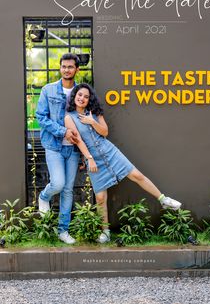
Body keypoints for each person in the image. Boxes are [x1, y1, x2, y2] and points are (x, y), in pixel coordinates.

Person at [65, 83, 182, 244]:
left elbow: (105, 132)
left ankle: (163, 200)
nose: (82, 98)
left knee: (136, 175)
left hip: (109, 151)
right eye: (79, 95)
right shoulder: (69, 117)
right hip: (93, 158)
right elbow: (78, 141)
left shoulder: (95, 112)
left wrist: (92, 121)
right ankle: (105, 232)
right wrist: (89, 158)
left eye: (86, 96)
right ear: (74, 96)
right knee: (100, 197)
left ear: (89, 99)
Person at [36, 53, 81, 244]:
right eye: (64, 66)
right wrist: (63, 132)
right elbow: (41, 117)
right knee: (58, 184)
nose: (66, 70)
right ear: (60, 68)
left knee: (68, 190)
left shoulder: (82, 91)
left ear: (76, 69)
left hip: (74, 149)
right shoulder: (48, 90)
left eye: (70, 67)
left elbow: (86, 119)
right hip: (54, 145)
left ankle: (63, 230)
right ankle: (44, 196)